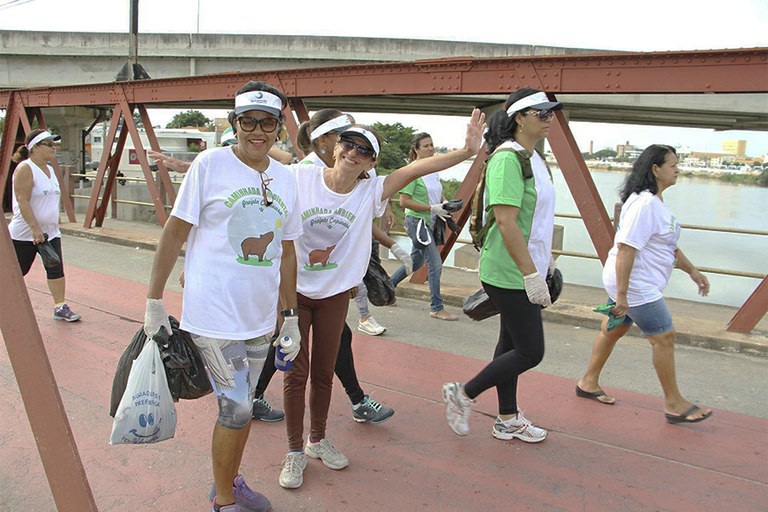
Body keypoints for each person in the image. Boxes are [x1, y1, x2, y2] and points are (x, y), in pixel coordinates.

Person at [279, 110, 485, 490]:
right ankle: (293, 452)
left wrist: (466, 151)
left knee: (324, 374)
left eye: (363, 151)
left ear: (371, 164)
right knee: (296, 375)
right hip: (294, 293)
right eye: (348, 144)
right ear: (336, 146)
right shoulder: (301, 177)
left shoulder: (370, 190)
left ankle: (317, 441)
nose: (352, 153)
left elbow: (417, 170)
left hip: (335, 294)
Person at [143, 80, 302, 512]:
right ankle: (225, 502)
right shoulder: (209, 164)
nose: (258, 130)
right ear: (234, 124)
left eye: (267, 122)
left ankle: (228, 480)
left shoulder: (286, 178)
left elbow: (287, 250)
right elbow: (175, 231)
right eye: (247, 121)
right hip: (212, 318)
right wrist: (154, 300)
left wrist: (290, 317)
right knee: (234, 408)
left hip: (258, 319)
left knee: (244, 407)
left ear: (278, 128)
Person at [442, 88, 562, 443]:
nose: (549, 118)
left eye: (552, 112)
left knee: (510, 345)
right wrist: (530, 275)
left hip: (526, 266)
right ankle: (463, 394)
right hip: (509, 271)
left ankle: (507, 419)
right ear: (519, 118)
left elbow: (534, 219)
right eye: (541, 112)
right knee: (530, 351)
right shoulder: (508, 158)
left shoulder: (533, 157)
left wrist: (546, 262)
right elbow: (507, 222)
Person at [576, 144, 713, 424]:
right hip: (636, 284)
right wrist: (623, 295)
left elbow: (668, 248)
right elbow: (626, 248)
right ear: (656, 169)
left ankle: (588, 382)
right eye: (673, 165)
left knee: (617, 327)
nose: (678, 169)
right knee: (663, 337)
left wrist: (693, 272)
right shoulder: (645, 204)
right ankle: (674, 403)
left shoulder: (652, 202)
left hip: (631, 280)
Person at [9, 130, 81, 322]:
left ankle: (60, 306)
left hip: (50, 232)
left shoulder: (50, 170)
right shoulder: (26, 168)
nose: (53, 148)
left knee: (56, 268)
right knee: (18, 271)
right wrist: (35, 228)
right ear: (35, 148)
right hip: (25, 233)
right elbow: (22, 201)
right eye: (48, 144)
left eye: (53, 144)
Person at [391, 132, 457, 320]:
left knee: (415, 262)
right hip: (417, 222)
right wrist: (431, 207)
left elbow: (439, 194)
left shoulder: (433, 170)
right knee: (434, 263)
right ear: (416, 150)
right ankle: (436, 307)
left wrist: (445, 204)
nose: (430, 148)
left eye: (431, 145)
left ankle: (387, 288)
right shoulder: (413, 171)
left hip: (431, 221)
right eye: (425, 146)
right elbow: (404, 202)